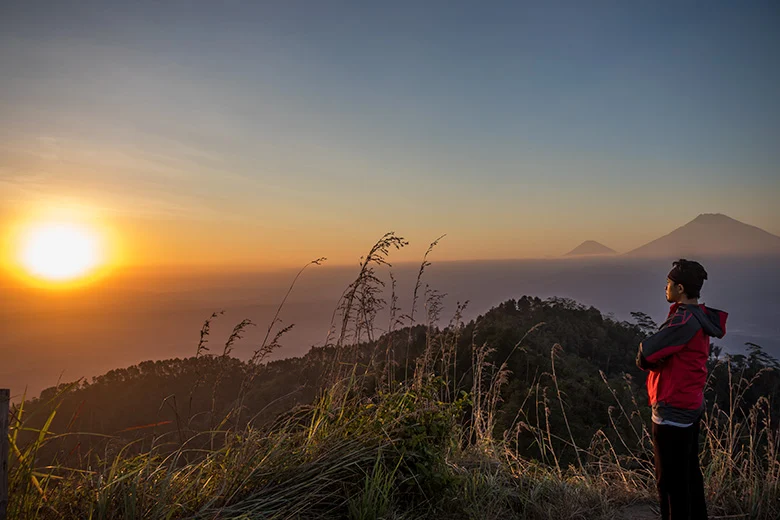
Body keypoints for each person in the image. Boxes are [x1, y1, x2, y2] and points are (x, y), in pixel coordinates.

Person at [636, 258, 728, 520]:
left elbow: (647, 352)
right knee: (688, 474)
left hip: (672, 410)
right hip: (690, 404)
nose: (665, 288)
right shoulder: (699, 315)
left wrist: (650, 357)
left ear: (679, 288)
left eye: (668, 283)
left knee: (669, 484)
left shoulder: (684, 320)